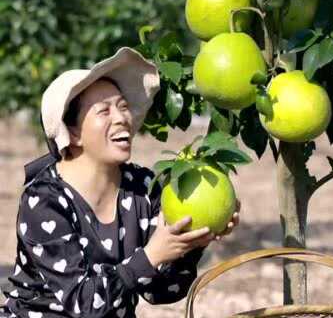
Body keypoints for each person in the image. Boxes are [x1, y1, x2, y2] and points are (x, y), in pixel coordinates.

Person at [0, 47, 240, 317]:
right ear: (74, 133)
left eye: (123, 107)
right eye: (104, 111)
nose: (122, 118)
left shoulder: (143, 187)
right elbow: (84, 303)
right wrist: (150, 256)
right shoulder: (45, 201)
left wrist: (189, 243)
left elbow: (162, 291)